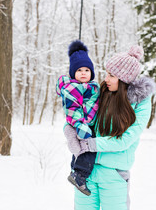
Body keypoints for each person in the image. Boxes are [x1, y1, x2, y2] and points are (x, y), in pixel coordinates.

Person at [69, 45, 156, 210]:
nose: (106, 79)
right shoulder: (100, 92)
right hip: (86, 171)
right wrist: (71, 130)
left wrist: (91, 144)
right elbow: (79, 118)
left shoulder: (141, 103)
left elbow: (125, 140)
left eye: (112, 75)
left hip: (114, 174)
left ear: (124, 79)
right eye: (107, 74)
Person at [56, 40, 100, 196]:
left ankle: (76, 171)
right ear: (73, 73)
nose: (83, 72)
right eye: (79, 70)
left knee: (81, 149)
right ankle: (80, 175)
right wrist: (81, 126)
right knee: (89, 148)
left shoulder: (92, 86)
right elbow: (72, 109)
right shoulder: (72, 88)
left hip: (89, 123)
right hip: (80, 124)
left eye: (87, 70)